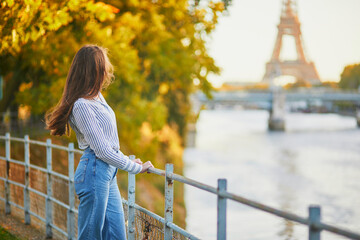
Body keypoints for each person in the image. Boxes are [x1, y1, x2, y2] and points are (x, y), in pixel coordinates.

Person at [45, 44, 154, 239]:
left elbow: (110, 143)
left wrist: (129, 161)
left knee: (116, 235)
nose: (106, 72)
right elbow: (102, 150)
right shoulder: (81, 106)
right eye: (103, 67)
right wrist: (135, 168)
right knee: (90, 236)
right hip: (94, 172)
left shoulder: (97, 98)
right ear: (93, 70)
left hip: (107, 174)